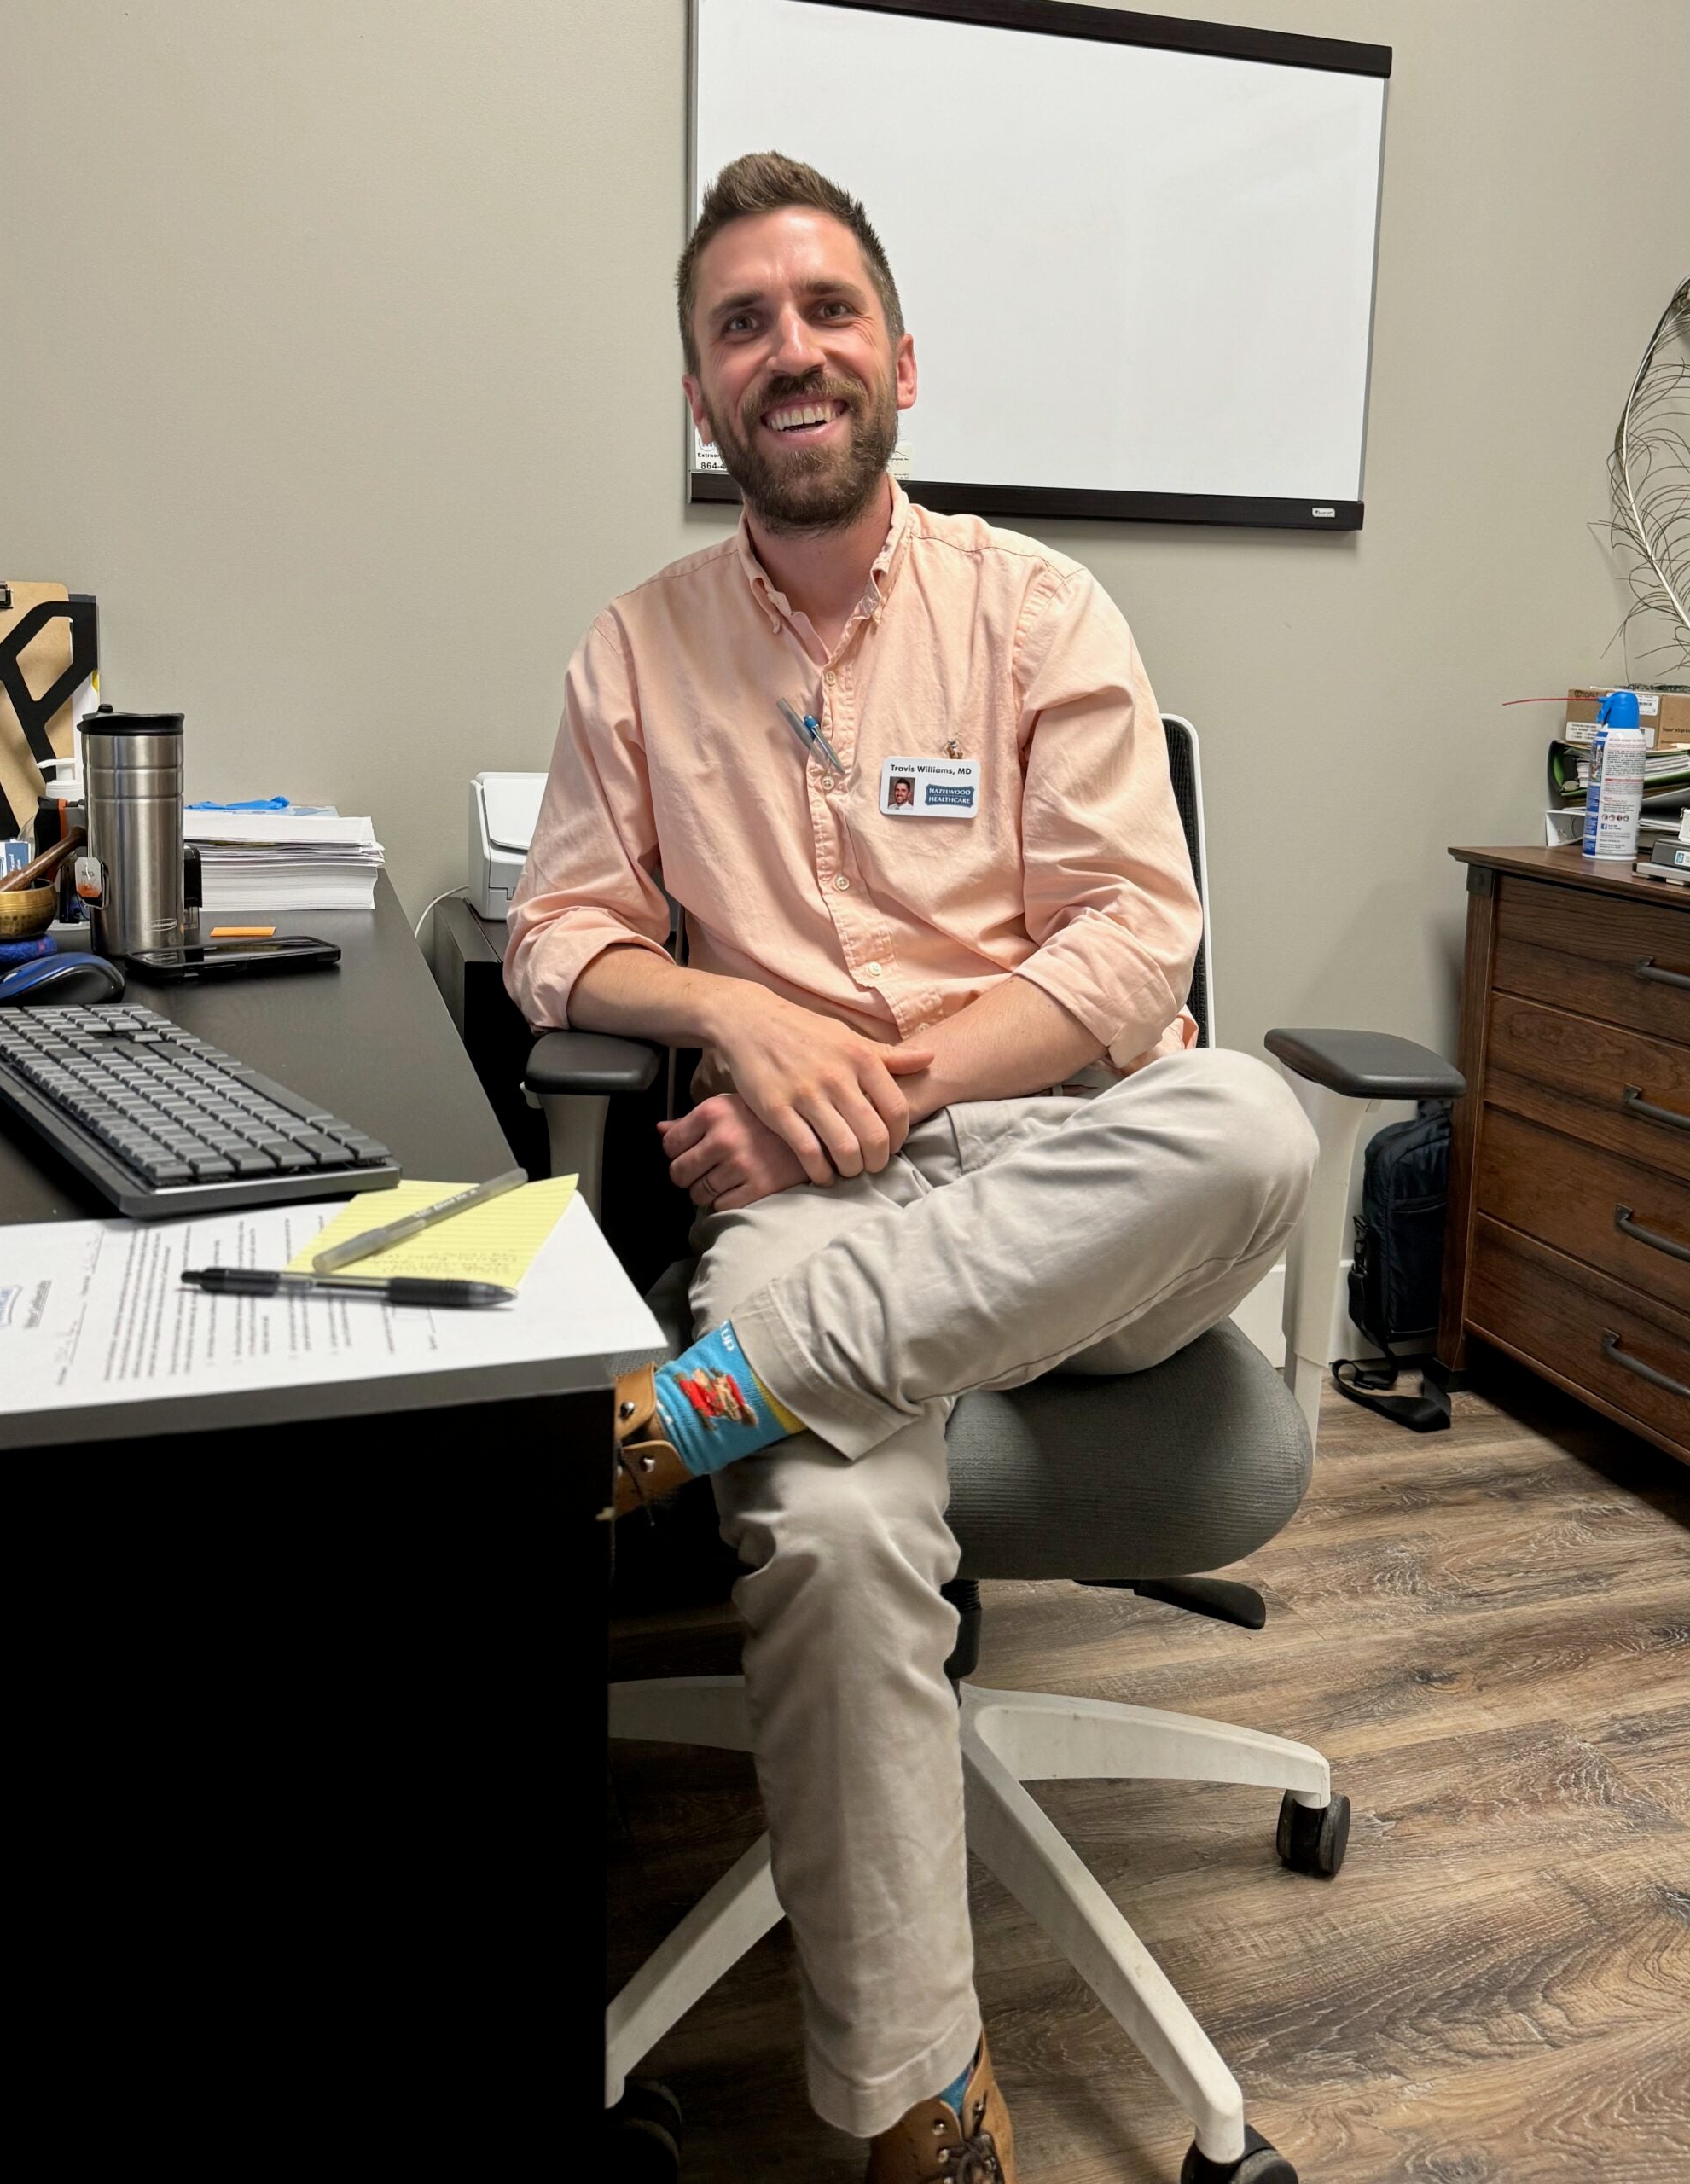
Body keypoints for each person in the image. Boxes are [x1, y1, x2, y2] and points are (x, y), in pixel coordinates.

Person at [506, 152, 1315, 2182]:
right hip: (802, 1211)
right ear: (704, 392)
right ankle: (920, 2111)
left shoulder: (1038, 607)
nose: (789, 348)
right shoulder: (633, 652)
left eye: (824, 308)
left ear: (901, 362)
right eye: (740, 322)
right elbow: (555, 935)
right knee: (839, 1529)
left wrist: (873, 1071)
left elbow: (1138, 944)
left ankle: (694, 1408)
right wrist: (732, 1022)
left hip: (1070, 1184)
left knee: (1252, 1121)